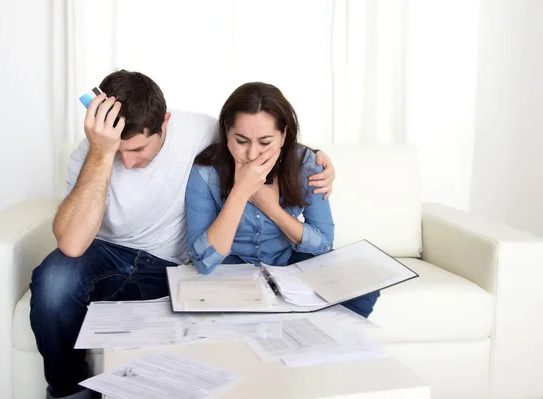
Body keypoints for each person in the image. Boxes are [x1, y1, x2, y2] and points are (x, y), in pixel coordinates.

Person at [29, 70, 338, 399]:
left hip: (169, 265)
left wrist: (317, 160)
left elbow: (259, 140)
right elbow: (73, 244)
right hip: (104, 255)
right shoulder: (90, 153)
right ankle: (70, 393)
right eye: (120, 152)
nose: (129, 163)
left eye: (139, 149)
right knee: (53, 283)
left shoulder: (200, 131)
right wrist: (101, 153)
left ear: (165, 121)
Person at [186, 82, 380, 319]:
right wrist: (241, 192)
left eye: (265, 142)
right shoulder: (206, 171)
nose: (252, 154)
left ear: (283, 135)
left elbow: (323, 244)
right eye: (241, 140)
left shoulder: (307, 165)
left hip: (288, 262)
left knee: (363, 291)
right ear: (226, 131)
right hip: (232, 265)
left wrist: (271, 208)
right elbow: (203, 260)